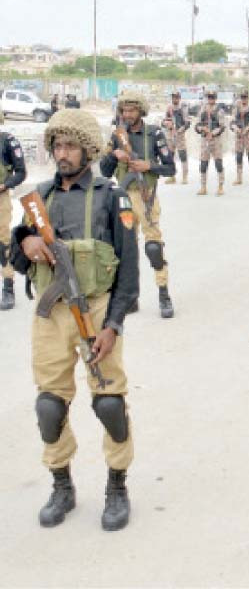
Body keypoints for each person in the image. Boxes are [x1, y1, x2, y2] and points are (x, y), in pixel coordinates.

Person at [10, 109, 139, 531]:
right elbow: (14, 253)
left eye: (70, 146)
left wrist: (113, 326)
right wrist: (27, 241)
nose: (62, 154)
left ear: (88, 149)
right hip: (51, 314)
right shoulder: (40, 198)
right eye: (57, 146)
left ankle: (117, 486)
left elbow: (129, 274)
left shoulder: (111, 196)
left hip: (96, 311)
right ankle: (61, 484)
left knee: (109, 405)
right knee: (49, 405)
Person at [100, 91, 176, 318]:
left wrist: (148, 166)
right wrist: (115, 155)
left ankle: (164, 294)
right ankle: (130, 297)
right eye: (124, 110)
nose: (128, 114)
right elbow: (104, 171)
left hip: (146, 196)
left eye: (132, 110)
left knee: (153, 247)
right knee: (126, 250)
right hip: (123, 197)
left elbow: (171, 168)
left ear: (141, 111)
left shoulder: (154, 134)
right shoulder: (117, 136)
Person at [0, 111, 28, 310]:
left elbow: (21, 172)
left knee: (3, 244)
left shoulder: (7, 142)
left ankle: (8, 288)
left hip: (0, 198)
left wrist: (4, 185)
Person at [194, 90, 226, 196]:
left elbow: (222, 126)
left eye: (212, 97)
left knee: (218, 163)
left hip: (215, 140)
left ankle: (220, 186)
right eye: (209, 97)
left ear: (215, 98)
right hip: (205, 140)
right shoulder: (202, 109)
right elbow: (196, 125)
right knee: (203, 164)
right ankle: (203, 187)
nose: (210, 99)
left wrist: (212, 133)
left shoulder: (219, 110)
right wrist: (202, 128)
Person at [230, 90, 249, 186]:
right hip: (239, 135)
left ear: (248, 97)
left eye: (245, 97)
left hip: (248, 135)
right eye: (242, 97)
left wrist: (248, 128)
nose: (244, 99)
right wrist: (235, 128)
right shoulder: (236, 109)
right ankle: (239, 178)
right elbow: (232, 121)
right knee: (238, 156)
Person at [161, 91, 190, 185]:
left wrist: (181, 129)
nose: (175, 99)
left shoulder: (183, 108)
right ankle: (172, 176)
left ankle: (184, 177)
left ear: (179, 98)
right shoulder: (169, 108)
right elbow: (164, 121)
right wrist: (166, 124)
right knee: (170, 157)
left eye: (176, 97)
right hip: (170, 135)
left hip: (179, 136)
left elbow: (187, 123)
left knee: (183, 156)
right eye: (173, 97)